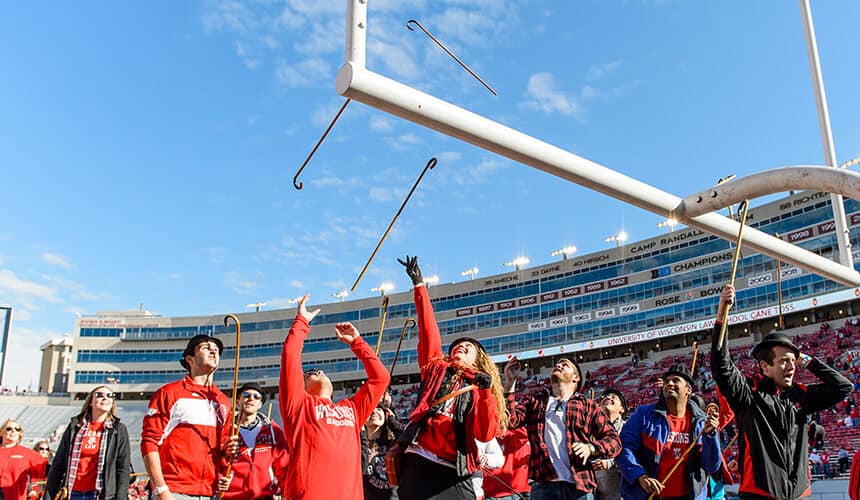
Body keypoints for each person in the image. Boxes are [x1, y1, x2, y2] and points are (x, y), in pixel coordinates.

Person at [711, 284, 852, 499]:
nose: (792, 366)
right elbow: (722, 366)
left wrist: (808, 361)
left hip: (799, 495)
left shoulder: (800, 395)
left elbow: (843, 387)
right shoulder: (749, 395)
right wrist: (722, 313)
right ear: (765, 367)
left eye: (794, 361)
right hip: (761, 494)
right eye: (784, 361)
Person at [394, 255, 506, 500]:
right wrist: (419, 286)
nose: (461, 346)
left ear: (478, 360)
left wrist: (486, 393)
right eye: (457, 345)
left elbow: (486, 434)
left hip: (456, 469)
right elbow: (427, 330)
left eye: (468, 346)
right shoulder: (436, 368)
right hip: (420, 460)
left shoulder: (480, 388)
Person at [279, 294, 389, 499]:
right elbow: (290, 356)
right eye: (310, 372)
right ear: (300, 385)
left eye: (321, 371)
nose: (318, 372)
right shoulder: (299, 406)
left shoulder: (352, 408)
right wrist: (301, 322)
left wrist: (357, 342)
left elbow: (380, 378)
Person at [504, 355, 621, 500]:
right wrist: (510, 382)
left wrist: (591, 448)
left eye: (565, 364)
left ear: (576, 377)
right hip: (543, 486)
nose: (558, 366)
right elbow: (510, 420)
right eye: (557, 364)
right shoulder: (535, 401)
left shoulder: (587, 406)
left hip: (579, 488)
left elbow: (614, 441)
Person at [141, 334, 232, 500]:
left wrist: (228, 452)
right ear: (189, 359)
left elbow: (223, 450)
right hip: (174, 491)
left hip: (209, 493)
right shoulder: (169, 393)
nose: (213, 351)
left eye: (216, 350)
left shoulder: (224, 401)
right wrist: (161, 489)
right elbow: (149, 442)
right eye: (206, 347)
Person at [617, 364, 721, 500]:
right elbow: (624, 447)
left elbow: (711, 466)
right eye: (666, 381)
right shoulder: (643, 414)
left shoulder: (702, 422)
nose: (669, 384)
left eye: (676, 380)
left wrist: (710, 436)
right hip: (650, 496)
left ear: (688, 389)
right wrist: (639, 475)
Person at [45, 385, 132, 500]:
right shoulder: (75, 427)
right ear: (91, 401)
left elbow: (123, 467)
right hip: (73, 492)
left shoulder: (118, 430)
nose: (105, 398)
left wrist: (120, 497)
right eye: (100, 395)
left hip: (101, 494)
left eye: (110, 396)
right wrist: (48, 495)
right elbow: (58, 464)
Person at [218, 382, 289, 500]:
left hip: (264, 495)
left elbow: (283, 464)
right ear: (237, 401)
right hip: (232, 496)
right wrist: (218, 478)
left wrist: (286, 492)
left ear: (260, 404)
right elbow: (211, 460)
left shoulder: (272, 429)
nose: (251, 398)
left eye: (256, 397)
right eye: (246, 395)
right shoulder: (224, 428)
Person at [361, 402, 402, 500]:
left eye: (379, 409)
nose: (374, 411)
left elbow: (407, 442)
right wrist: (362, 436)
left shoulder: (393, 443)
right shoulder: (358, 444)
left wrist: (393, 423)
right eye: (370, 409)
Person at [593, 389, 627, 500]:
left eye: (614, 397)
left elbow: (632, 456)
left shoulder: (627, 428)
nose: (608, 398)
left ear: (622, 409)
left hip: (622, 495)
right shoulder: (590, 430)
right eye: (605, 397)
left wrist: (610, 463)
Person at [0, 419, 47, 500]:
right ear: (2, 432)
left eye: (17, 429)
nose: (13, 431)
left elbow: (47, 469)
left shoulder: (27, 453)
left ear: (19, 433)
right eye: (9, 429)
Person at [483, 426, 530, 500]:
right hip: (497, 491)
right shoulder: (483, 435)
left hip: (519, 488)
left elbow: (524, 434)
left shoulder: (510, 435)